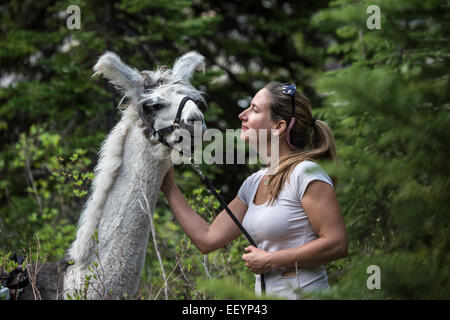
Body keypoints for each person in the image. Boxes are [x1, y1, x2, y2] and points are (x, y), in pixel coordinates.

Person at [160, 81, 348, 299]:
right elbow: (207, 238)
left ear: (279, 127)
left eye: (255, 109)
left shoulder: (305, 173)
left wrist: (272, 260)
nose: (242, 114)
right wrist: (170, 188)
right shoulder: (254, 183)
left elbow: (337, 243)